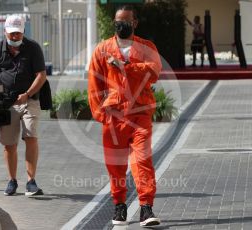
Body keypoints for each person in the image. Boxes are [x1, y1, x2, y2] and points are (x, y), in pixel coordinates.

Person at [88, 5, 161, 227]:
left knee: (142, 160)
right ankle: (120, 205)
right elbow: (94, 83)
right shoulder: (103, 49)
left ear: (134, 23)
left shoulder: (146, 47)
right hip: (113, 115)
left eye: (126, 21)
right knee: (115, 164)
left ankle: (146, 208)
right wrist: (100, 113)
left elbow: (154, 71)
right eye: (118, 22)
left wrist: (127, 66)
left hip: (140, 113)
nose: (121, 25)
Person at [0, 14, 46, 196]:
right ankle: (12, 181)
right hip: (5, 103)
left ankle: (31, 182)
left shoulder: (33, 48)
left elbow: (41, 74)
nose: (15, 37)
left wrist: (28, 94)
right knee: (9, 145)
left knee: (31, 136)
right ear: (5, 32)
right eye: (11, 34)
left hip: (29, 100)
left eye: (18, 33)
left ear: (23, 31)